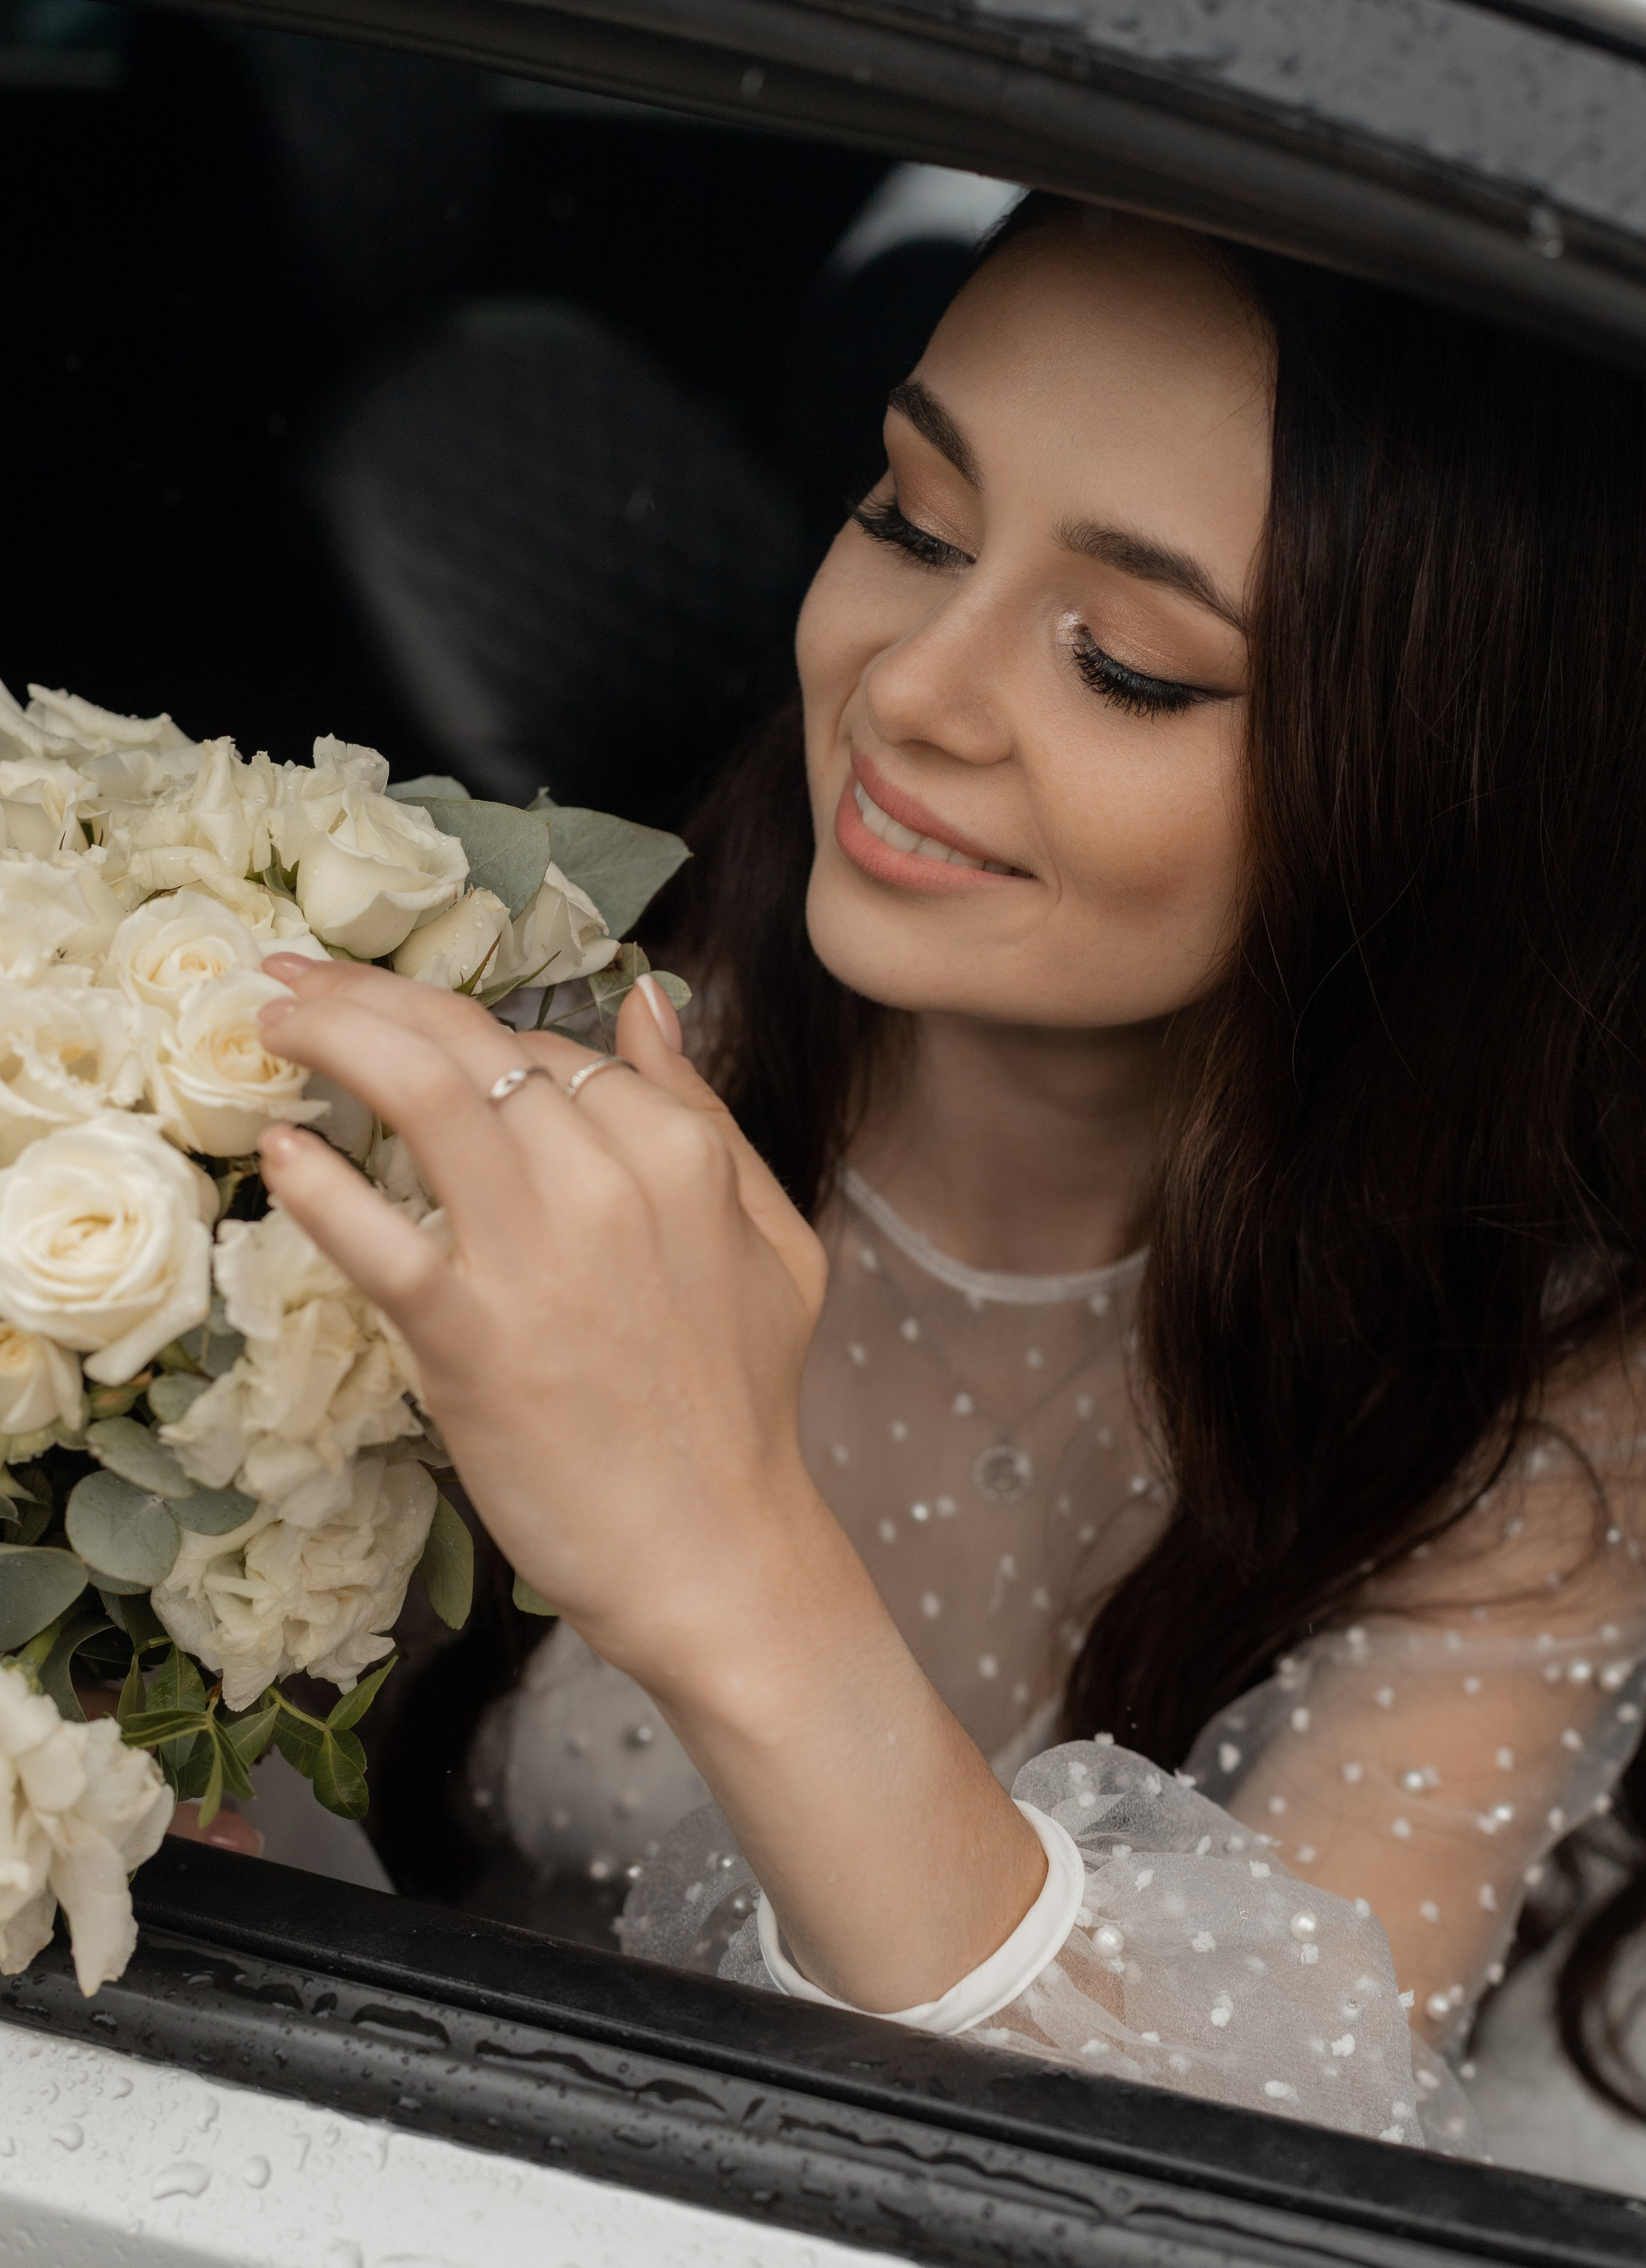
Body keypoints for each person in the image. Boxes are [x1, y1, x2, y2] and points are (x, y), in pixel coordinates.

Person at [250, 197, 1646, 2152]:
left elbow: (1241, 2177)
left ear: (1434, 786)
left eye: (1127, 665)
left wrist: (726, 1562)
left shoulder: (1529, 1398)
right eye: (911, 524)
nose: (909, 688)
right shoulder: (546, 1067)